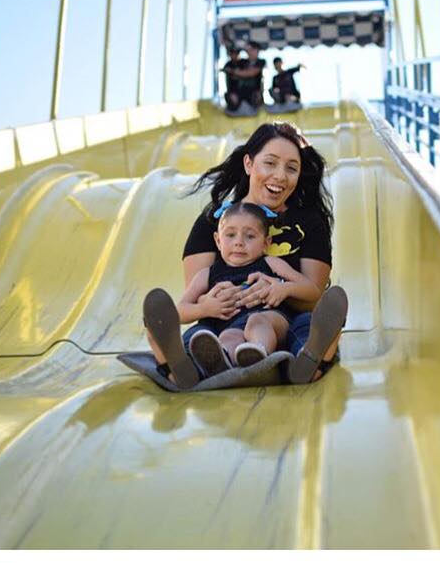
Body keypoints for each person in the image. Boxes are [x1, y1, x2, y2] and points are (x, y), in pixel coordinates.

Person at [142, 121, 348, 389]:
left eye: (291, 168)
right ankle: (178, 365)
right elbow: (196, 294)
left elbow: (313, 297)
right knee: (200, 335)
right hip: (222, 324)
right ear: (249, 164)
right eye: (270, 163)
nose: (280, 176)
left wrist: (280, 288)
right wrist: (217, 300)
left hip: (280, 321)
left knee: (306, 325)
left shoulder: (309, 222)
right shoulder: (215, 220)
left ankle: (312, 360)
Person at [174, 202, 321, 373]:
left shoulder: (271, 263)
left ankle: (260, 356)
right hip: (230, 327)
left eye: (250, 236)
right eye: (230, 235)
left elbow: (312, 291)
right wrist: (204, 309)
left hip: (271, 320)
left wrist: (284, 288)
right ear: (218, 240)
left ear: (266, 242)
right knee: (227, 337)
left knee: (256, 322)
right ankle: (226, 364)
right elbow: (179, 312)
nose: (239, 243)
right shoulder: (207, 274)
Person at [231, 41, 265, 108]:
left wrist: (236, 72)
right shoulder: (241, 62)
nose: (248, 51)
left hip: (254, 93)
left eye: (251, 49)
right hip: (240, 92)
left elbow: (251, 73)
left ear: (256, 50)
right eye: (247, 50)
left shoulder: (260, 62)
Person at [221, 46, 243, 112]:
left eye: (235, 53)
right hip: (232, 90)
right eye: (232, 53)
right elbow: (224, 69)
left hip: (241, 90)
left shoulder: (242, 63)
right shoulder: (228, 64)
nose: (234, 55)